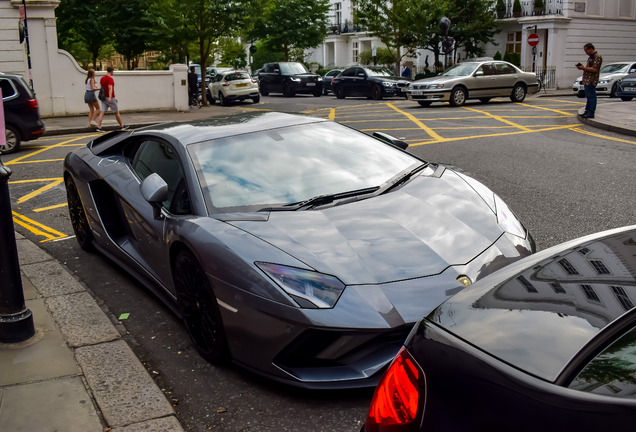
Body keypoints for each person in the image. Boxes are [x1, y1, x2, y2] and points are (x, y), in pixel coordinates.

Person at [96, 66, 128, 132]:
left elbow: (101, 88)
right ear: (111, 71)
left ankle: (99, 127)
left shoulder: (102, 78)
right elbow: (110, 88)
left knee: (102, 112)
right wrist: (110, 97)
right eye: (113, 71)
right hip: (110, 98)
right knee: (117, 112)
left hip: (103, 98)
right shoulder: (110, 79)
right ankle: (121, 126)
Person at [577, 43, 602, 119]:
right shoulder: (591, 57)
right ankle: (587, 111)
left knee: (591, 96)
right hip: (587, 79)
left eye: (586, 50)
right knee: (588, 96)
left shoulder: (597, 57)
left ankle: (591, 112)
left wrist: (583, 68)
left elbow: (594, 69)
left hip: (592, 79)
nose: (586, 52)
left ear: (591, 49)